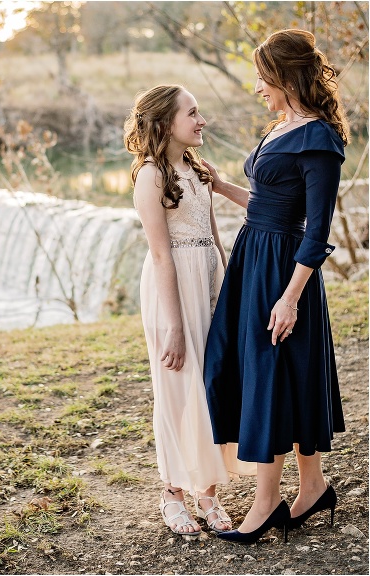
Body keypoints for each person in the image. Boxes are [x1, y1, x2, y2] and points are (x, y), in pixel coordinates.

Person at [203, 29, 348, 544]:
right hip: (254, 260)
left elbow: (317, 229)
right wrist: (219, 185)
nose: (257, 86)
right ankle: (313, 488)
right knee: (277, 374)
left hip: (285, 273)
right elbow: (267, 204)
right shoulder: (280, 126)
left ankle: (266, 506)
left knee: (270, 376)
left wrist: (290, 297)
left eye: (264, 76)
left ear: (286, 76)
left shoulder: (319, 139)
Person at [124, 85, 255, 536]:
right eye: (193, 113)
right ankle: (172, 492)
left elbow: (214, 238)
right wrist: (174, 326)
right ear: (165, 123)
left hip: (208, 282)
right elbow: (161, 256)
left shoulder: (199, 169)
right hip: (171, 288)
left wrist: (226, 295)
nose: (202, 121)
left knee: (210, 385)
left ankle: (208, 493)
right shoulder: (149, 177)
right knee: (178, 388)